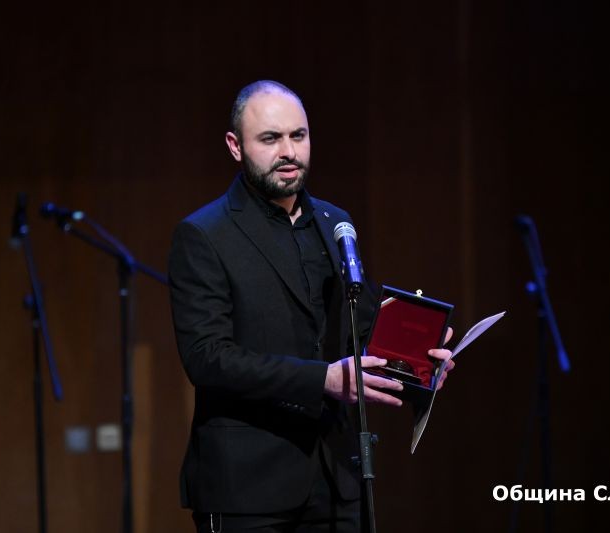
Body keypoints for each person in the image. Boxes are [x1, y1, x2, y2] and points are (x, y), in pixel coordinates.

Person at [168, 80, 454, 532]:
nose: (288, 151)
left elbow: (359, 326)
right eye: (270, 138)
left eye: (298, 136)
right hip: (249, 486)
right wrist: (323, 379)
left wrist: (420, 360)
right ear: (235, 146)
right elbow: (207, 358)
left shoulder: (334, 222)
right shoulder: (204, 234)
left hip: (337, 479)